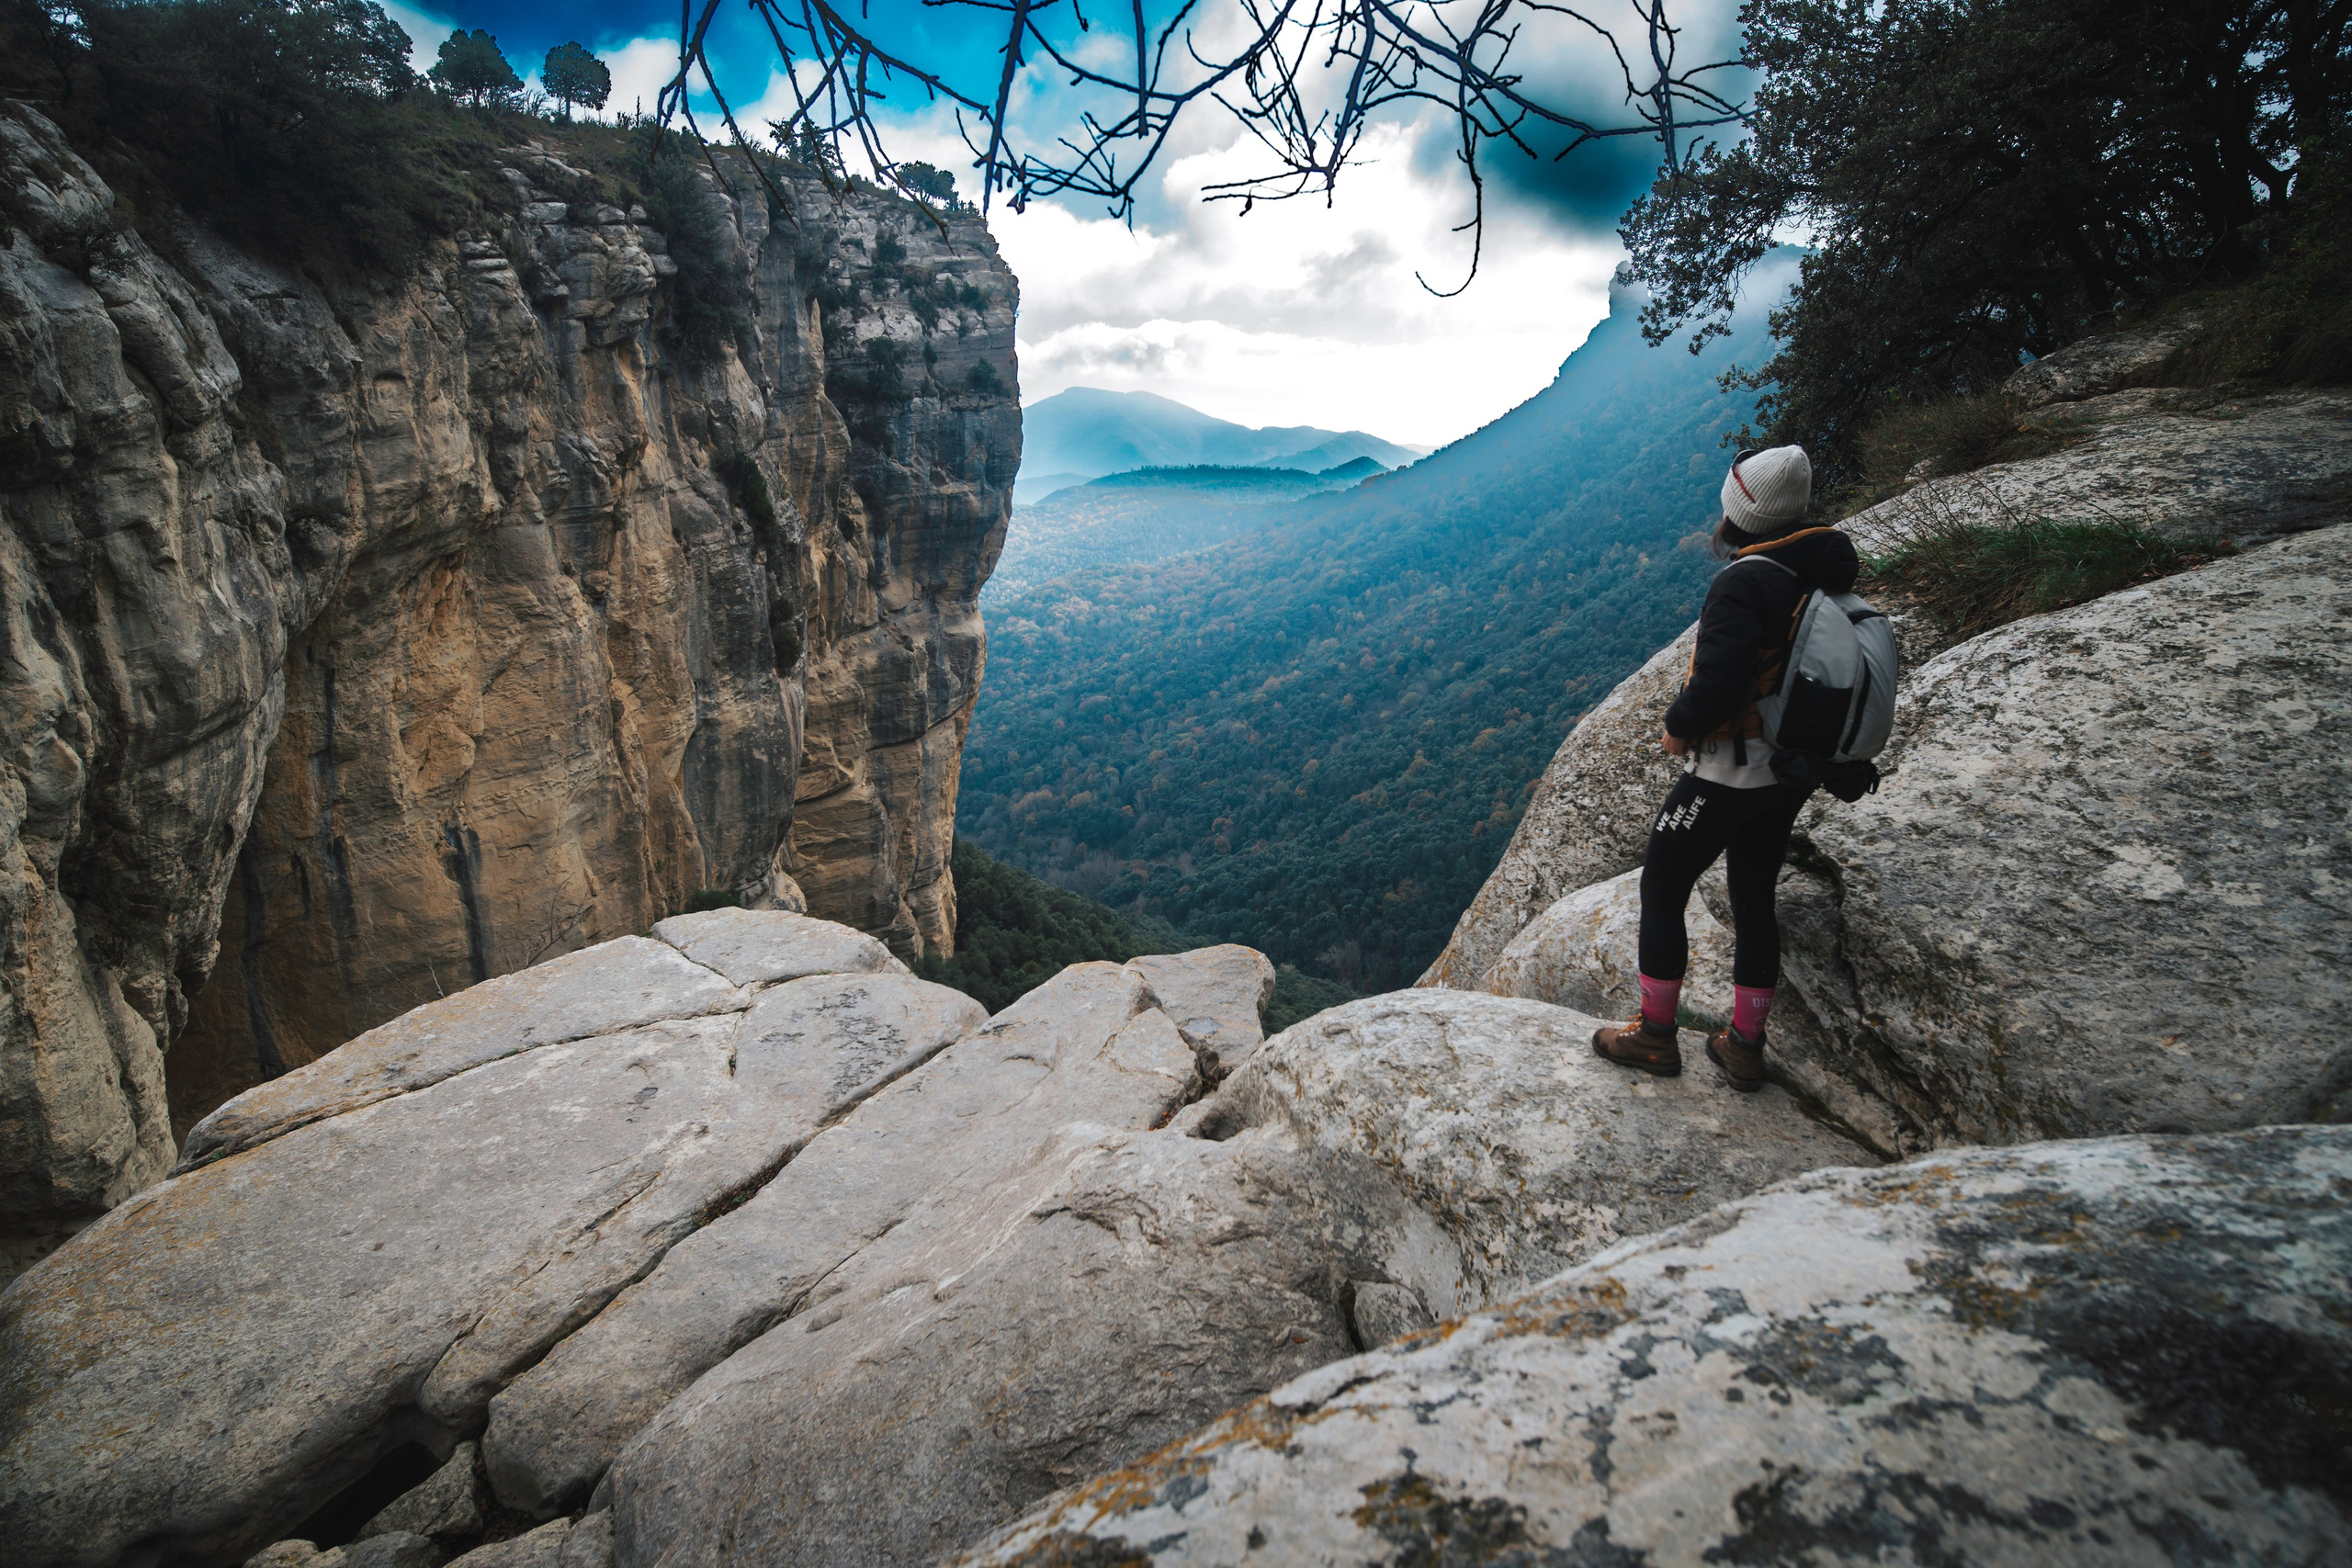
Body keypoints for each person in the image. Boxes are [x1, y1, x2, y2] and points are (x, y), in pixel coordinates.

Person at [1591, 444, 1856, 1091]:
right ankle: (1743, 1046)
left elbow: (1718, 685)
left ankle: (1655, 1035)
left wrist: (1677, 730)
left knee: (1662, 887)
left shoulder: (1744, 580)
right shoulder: (1819, 568)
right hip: (1788, 771)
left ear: (1740, 512)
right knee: (1754, 900)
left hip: (1730, 772)